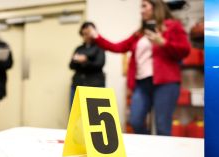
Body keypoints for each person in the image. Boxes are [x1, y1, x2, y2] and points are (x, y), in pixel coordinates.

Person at [87, 0, 190, 136]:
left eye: (144, 6)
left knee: (162, 125)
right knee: (135, 120)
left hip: (166, 83)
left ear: (155, 7)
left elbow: (185, 51)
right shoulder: (139, 34)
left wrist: (163, 42)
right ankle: (149, 147)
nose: (141, 10)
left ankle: (162, 155)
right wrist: (96, 37)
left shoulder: (172, 26)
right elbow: (118, 47)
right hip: (142, 83)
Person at [69, 21, 106, 106]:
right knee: (76, 116)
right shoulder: (79, 48)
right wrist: (80, 61)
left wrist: (84, 61)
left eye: (89, 33)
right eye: (84, 33)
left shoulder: (100, 47)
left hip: (95, 86)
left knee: (94, 117)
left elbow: (99, 64)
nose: (87, 36)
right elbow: (71, 65)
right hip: (77, 86)